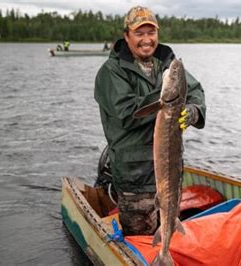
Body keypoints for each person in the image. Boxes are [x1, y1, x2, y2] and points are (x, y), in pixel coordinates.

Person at [94, 6, 206, 236]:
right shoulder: (110, 72)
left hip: (170, 169)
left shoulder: (166, 63)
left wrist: (193, 110)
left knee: (170, 233)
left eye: (151, 33)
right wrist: (169, 98)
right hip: (135, 176)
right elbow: (127, 112)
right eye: (139, 33)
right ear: (126, 36)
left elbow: (194, 90)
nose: (147, 39)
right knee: (141, 240)